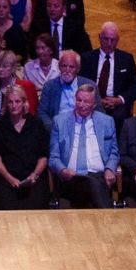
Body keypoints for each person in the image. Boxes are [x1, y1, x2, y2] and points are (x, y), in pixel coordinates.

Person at [50, 80, 119, 208]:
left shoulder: (107, 121)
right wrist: (63, 170)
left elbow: (114, 153)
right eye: (79, 100)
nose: (81, 105)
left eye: (86, 102)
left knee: (92, 182)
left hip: (99, 176)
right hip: (71, 177)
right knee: (91, 183)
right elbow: (53, 157)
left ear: (94, 104)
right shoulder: (60, 121)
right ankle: (108, 216)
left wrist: (110, 169)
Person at [0, 80, 50, 208]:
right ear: (6, 104)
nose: (13, 106)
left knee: (36, 204)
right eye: (10, 102)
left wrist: (35, 174)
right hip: (5, 179)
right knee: (6, 204)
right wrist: (10, 179)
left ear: (24, 103)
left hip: (33, 178)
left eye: (17, 102)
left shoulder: (36, 124)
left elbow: (43, 156)